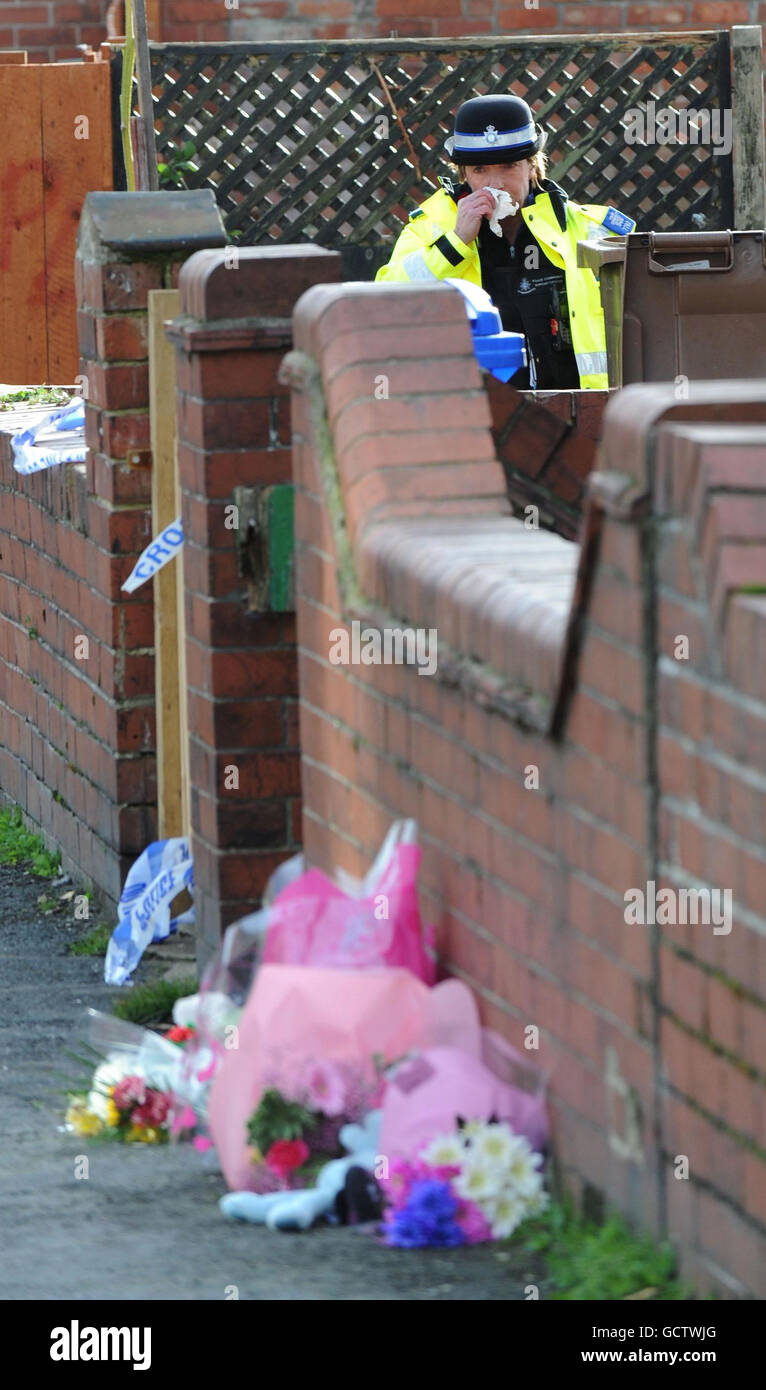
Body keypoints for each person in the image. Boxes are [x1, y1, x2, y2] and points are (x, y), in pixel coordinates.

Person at [375, 94, 636, 390]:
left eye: (509, 166)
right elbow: (386, 300)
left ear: (533, 167)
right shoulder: (430, 226)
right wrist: (455, 242)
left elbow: (642, 319)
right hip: (473, 413)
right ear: (464, 175)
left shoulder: (586, 228)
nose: (495, 183)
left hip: (579, 412)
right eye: (480, 170)